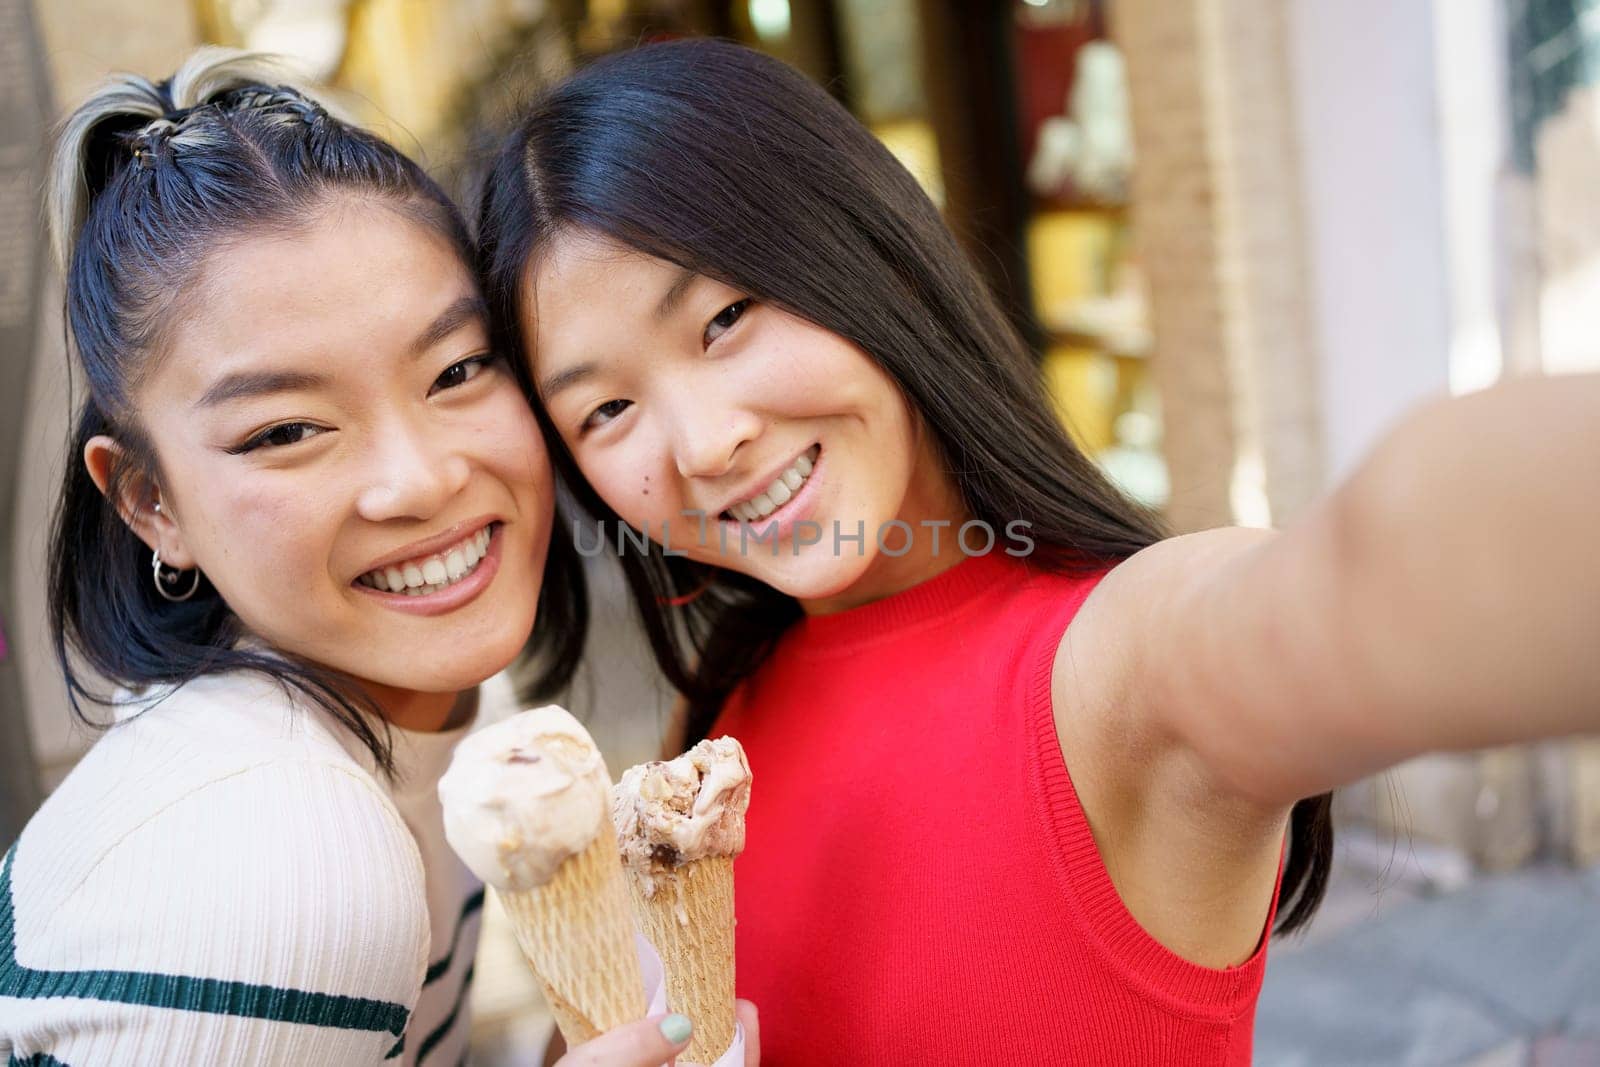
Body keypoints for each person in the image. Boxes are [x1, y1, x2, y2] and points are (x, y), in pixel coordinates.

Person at [477, 38, 1600, 1065]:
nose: (705, 441)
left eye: (725, 318)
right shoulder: (711, 733)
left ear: (872, 258)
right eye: (608, 409)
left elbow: (1378, 565)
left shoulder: (1119, 662)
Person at [1, 48, 756, 1067]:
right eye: (286, 430)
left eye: (455, 369)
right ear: (148, 500)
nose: (419, 480)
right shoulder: (286, 851)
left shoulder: (423, 719)